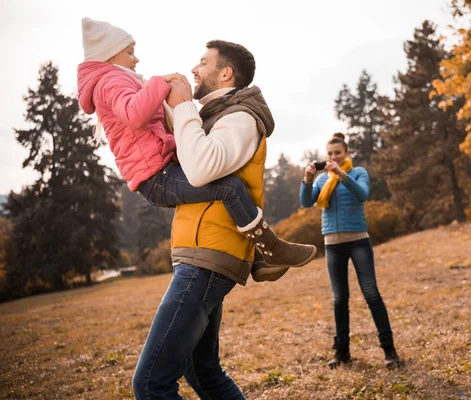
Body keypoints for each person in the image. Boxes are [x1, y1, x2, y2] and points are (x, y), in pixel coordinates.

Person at [131, 39, 309, 398]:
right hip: (199, 253)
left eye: (203, 62)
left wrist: (182, 109)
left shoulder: (241, 118)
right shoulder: (213, 117)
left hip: (208, 258)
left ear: (225, 73)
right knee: (203, 371)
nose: (194, 69)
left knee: (151, 384)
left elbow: (199, 169)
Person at [76, 17, 316, 270]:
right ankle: (271, 248)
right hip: (155, 176)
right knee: (230, 188)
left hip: (161, 169)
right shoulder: (111, 82)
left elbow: (154, 124)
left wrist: (169, 99)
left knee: (226, 189)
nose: (136, 59)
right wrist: (159, 84)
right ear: (110, 54)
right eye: (130, 52)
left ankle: (256, 259)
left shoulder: (120, 81)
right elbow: (135, 115)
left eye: (204, 62)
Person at [300, 133, 403, 369]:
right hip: (332, 244)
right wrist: (307, 179)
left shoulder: (358, 173)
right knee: (339, 299)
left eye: (338, 153)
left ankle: (390, 352)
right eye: (330, 154)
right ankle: (342, 353)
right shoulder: (321, 180)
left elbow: (362, 194)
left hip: (358, 241)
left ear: (346, 153)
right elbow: (307, 202)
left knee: (371, 294)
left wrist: (341, 174)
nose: (333, 157)